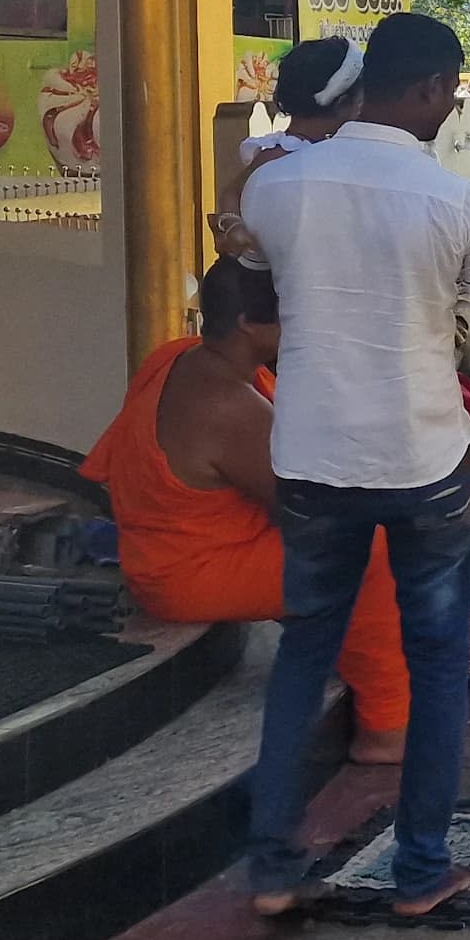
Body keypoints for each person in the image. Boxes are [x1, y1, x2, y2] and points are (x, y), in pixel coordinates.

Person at [237, 11, 470, 920]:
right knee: (437, 663)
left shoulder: (274, 187)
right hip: (422, 460)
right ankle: (421, 872)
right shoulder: (453, 200)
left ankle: (274, 870)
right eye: (449, 93)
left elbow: (255, 302)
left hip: (312, 458)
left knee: (301, 657)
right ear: (433, 88)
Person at [81, 258, 410, 765]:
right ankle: (385, 732)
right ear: (249, 325)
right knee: (370, 546)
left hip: (165, 548)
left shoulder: (178, 354)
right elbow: (310, 514)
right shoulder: (229, 406)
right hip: (186, 576)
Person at [209, 37, 362, 257]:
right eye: (359, 102)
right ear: (341, 105)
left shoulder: (306, 150)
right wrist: (234, 227)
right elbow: (231, 193)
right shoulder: (280, 154)